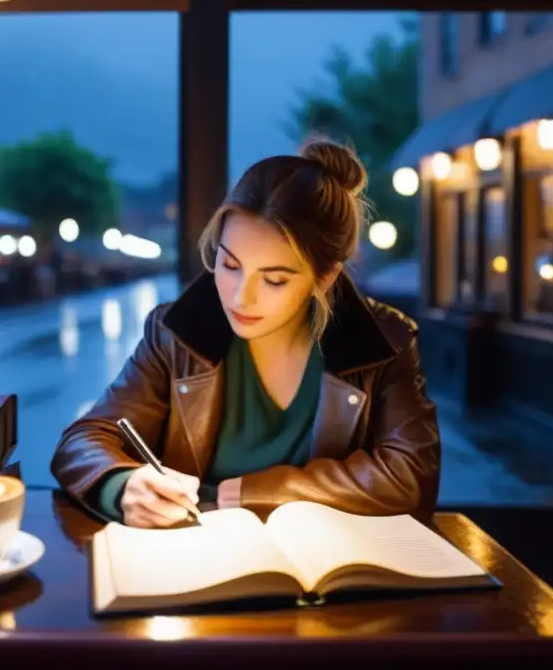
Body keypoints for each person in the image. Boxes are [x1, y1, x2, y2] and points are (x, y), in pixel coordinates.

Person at [50, 138, 440, 528]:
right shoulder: (175, 333)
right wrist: (122, 486)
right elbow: (84, 440)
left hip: (336, 578)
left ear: (325, 278)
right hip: (195, 564)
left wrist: (236, 494)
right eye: (230, 264)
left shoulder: (384, 341)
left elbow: (412, 478)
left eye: (274, 280)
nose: (240, 297)